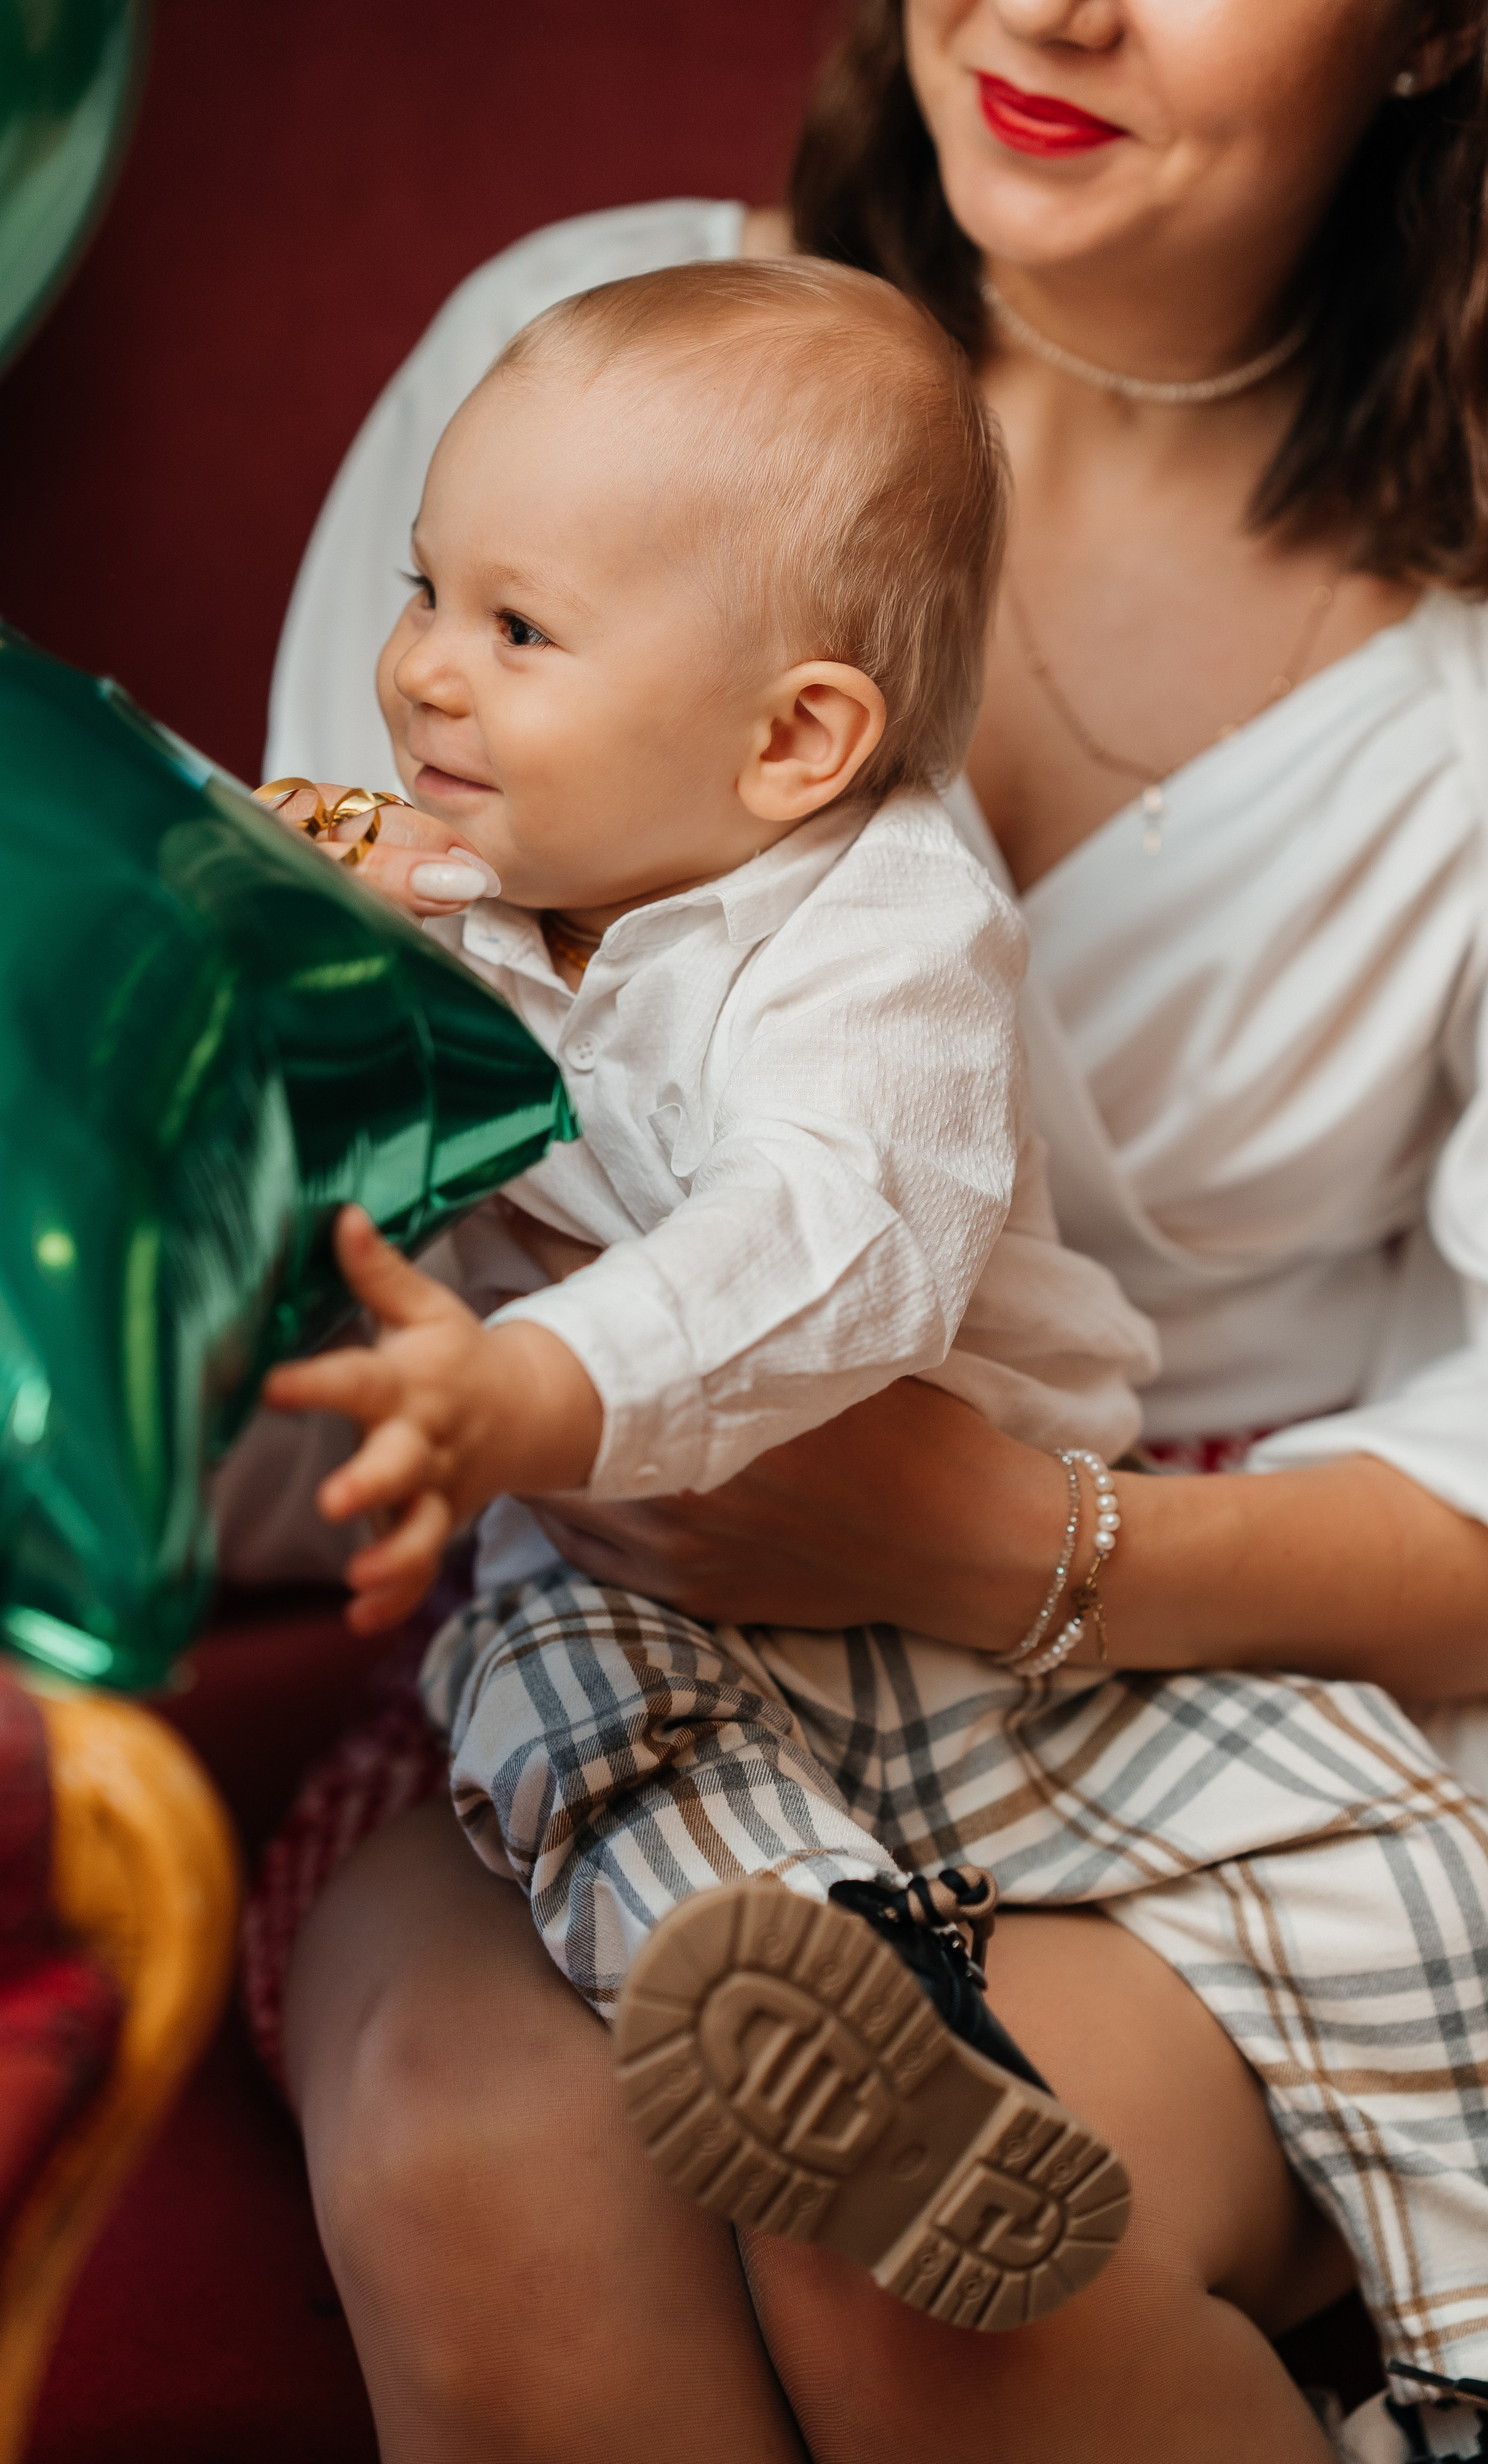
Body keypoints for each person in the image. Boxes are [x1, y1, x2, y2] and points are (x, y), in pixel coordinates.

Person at [245, 3, 1488, 2458]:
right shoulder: (583, 370)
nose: (1051, 4)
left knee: (920, 2254)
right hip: (596, 1575)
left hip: (1194, 1636)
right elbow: (322, 1046)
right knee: (477, 2148)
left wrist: (1008, 1540)